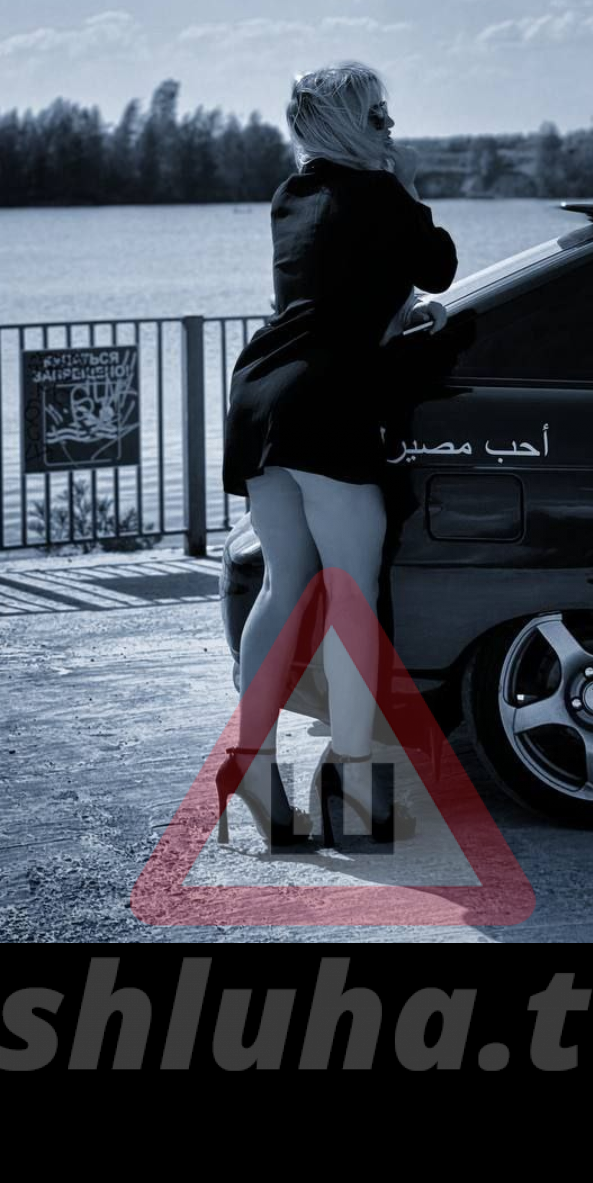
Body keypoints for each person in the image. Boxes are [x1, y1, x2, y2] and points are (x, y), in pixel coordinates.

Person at [216, 61, 458, 851]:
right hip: (327, 402)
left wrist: (393, 314)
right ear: (354, 125)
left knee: (283, 585)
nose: (392, 126)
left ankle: (251, 771)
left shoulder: (292, 196)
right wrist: (407, 183)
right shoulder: (381, 196)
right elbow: (440, 267)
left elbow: (331, 293)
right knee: (352, 596)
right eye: (380, 117)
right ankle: (354, 793)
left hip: (262, 393)